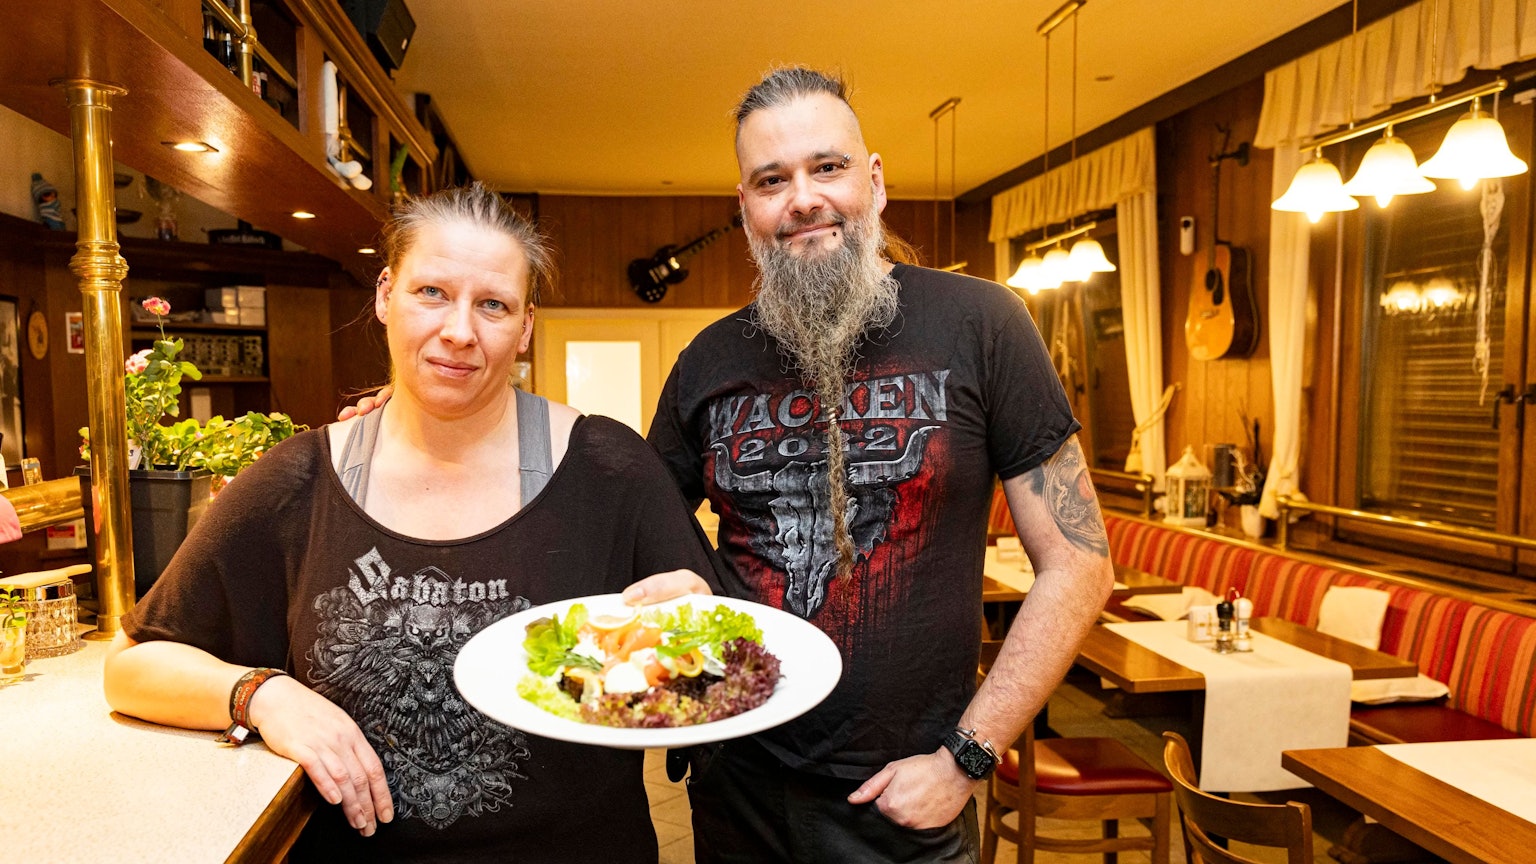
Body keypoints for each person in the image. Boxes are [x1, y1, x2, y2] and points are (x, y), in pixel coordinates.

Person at [103, 183, 718, 863]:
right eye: (432, 293)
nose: (459, 330)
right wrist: (263, 696)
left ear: (526, 329)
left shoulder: (609, 470)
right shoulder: (298, 480)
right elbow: (133, 667)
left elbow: (712, 679)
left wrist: (697, 646)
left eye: (493, 305)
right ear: (384, 294)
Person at [641, 67, 1116, 862]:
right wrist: (436, 412)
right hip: (737, 787)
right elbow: (634, 515)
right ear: (746, 208)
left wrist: (967, 757)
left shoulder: (983, 323)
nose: (802, 198)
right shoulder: (705, 360)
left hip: (905, 803)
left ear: (875, 179)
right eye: (771, 179)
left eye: (826, 167)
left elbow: (1080, 562)